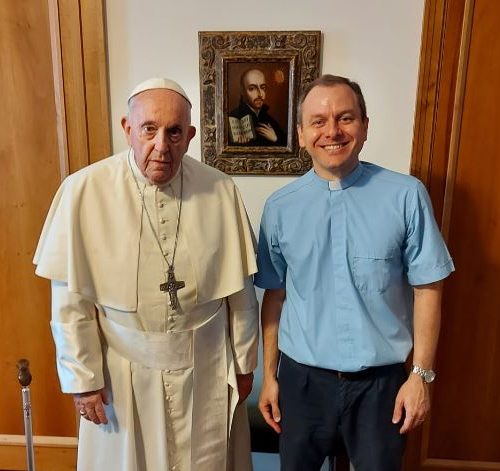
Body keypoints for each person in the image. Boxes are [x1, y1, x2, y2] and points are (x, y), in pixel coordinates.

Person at [34, 78, 259, 471]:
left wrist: (244, 364)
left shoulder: (220, 190)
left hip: (206, 368)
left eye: (174, 132)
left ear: (189, 136)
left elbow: (240, 293)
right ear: (127, 128)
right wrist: (83, 379)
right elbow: (70, 302)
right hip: (122, 373)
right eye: (149, 129)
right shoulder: (83, 191)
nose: (161, 146)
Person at [255, 74, 455, 471]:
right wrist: (270, 377)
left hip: (381, 388)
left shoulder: (406, 196)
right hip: (302, 383)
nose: (332, 131)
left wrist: (421, 376)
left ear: (364, 126)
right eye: (318, 121)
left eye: (345, 118)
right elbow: (274, 296)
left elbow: (428, 287)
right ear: (301, 133)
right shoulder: (279, 208)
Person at [229, 68, 286, 146]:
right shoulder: (234, 118)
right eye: (252, 88)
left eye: (262, 88)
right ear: (242, 91)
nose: (260, 94)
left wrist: (275, 139)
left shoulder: (268, 118)